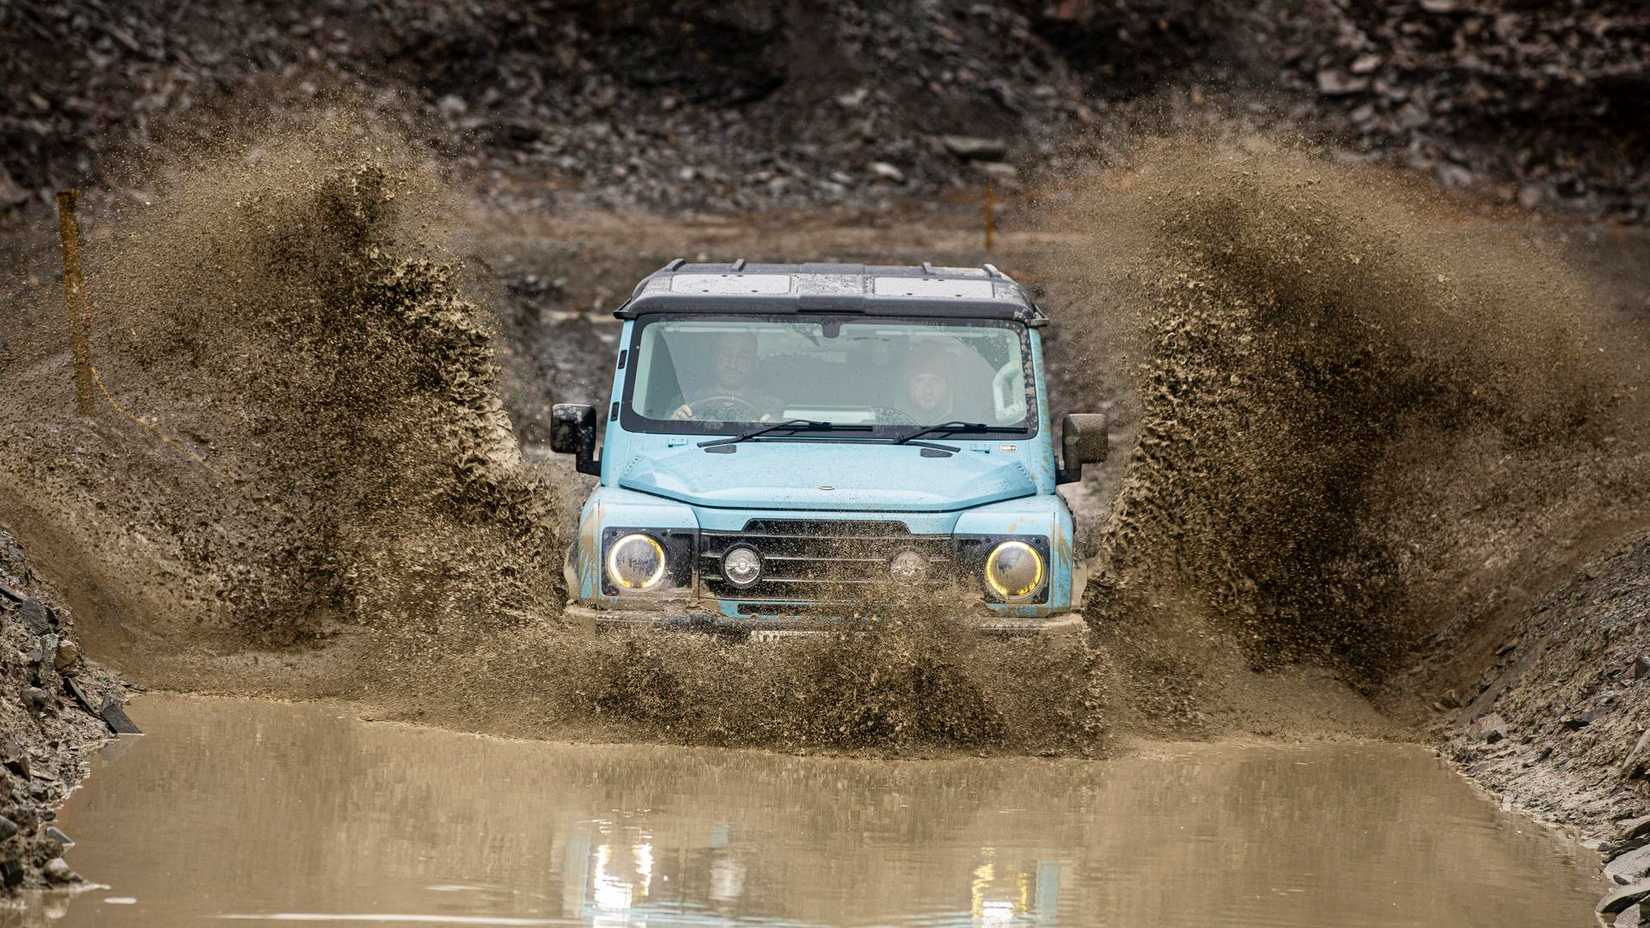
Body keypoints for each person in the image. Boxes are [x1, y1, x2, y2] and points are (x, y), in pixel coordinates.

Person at [672, 332, 782, 421]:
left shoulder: (770, 406)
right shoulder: (687, 400)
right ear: (713, 358)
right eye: (725, 354)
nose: (733, 364)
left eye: (743, 356)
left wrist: (774, 428)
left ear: (754, 363)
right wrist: (674, 422)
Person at [902, 348, 956, 422]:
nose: (928, 391)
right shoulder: (888, 417)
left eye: (935, 381)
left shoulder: (967, 421)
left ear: (947, 385)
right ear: (907, 385)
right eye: (919, 381)